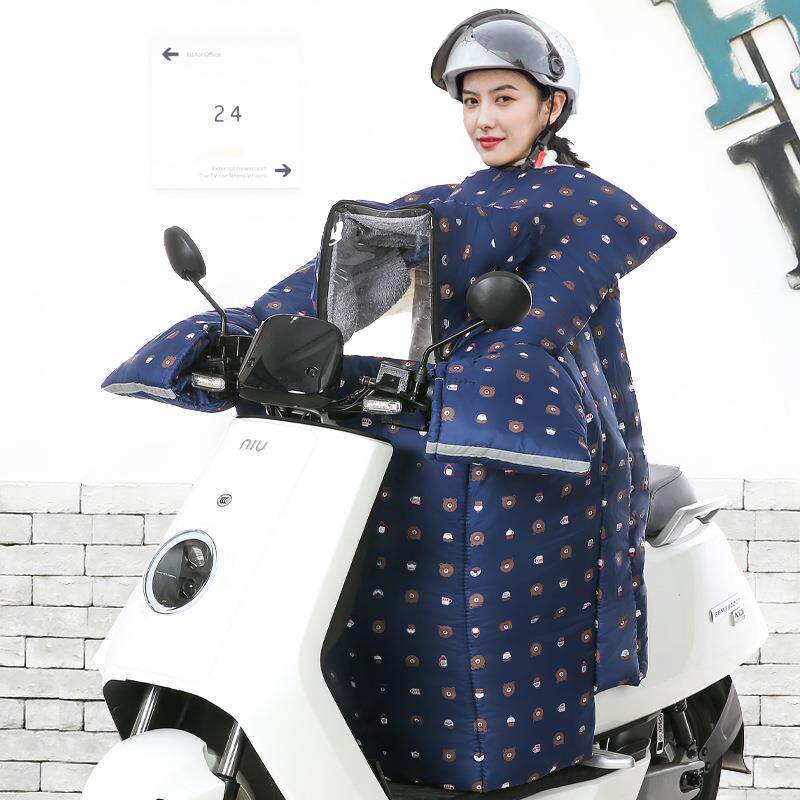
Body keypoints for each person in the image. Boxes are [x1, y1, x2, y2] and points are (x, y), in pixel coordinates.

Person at [102, 9, 677, 793]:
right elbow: (331, 286)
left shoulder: (588, 203)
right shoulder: (448, 200)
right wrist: (247, 334)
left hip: (543, 422)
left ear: (552, 105)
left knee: (480, 599)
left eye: (504, 98)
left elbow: (538, 320)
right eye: (470, 101)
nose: (483, 118)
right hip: (450, 412)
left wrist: (443, 380)